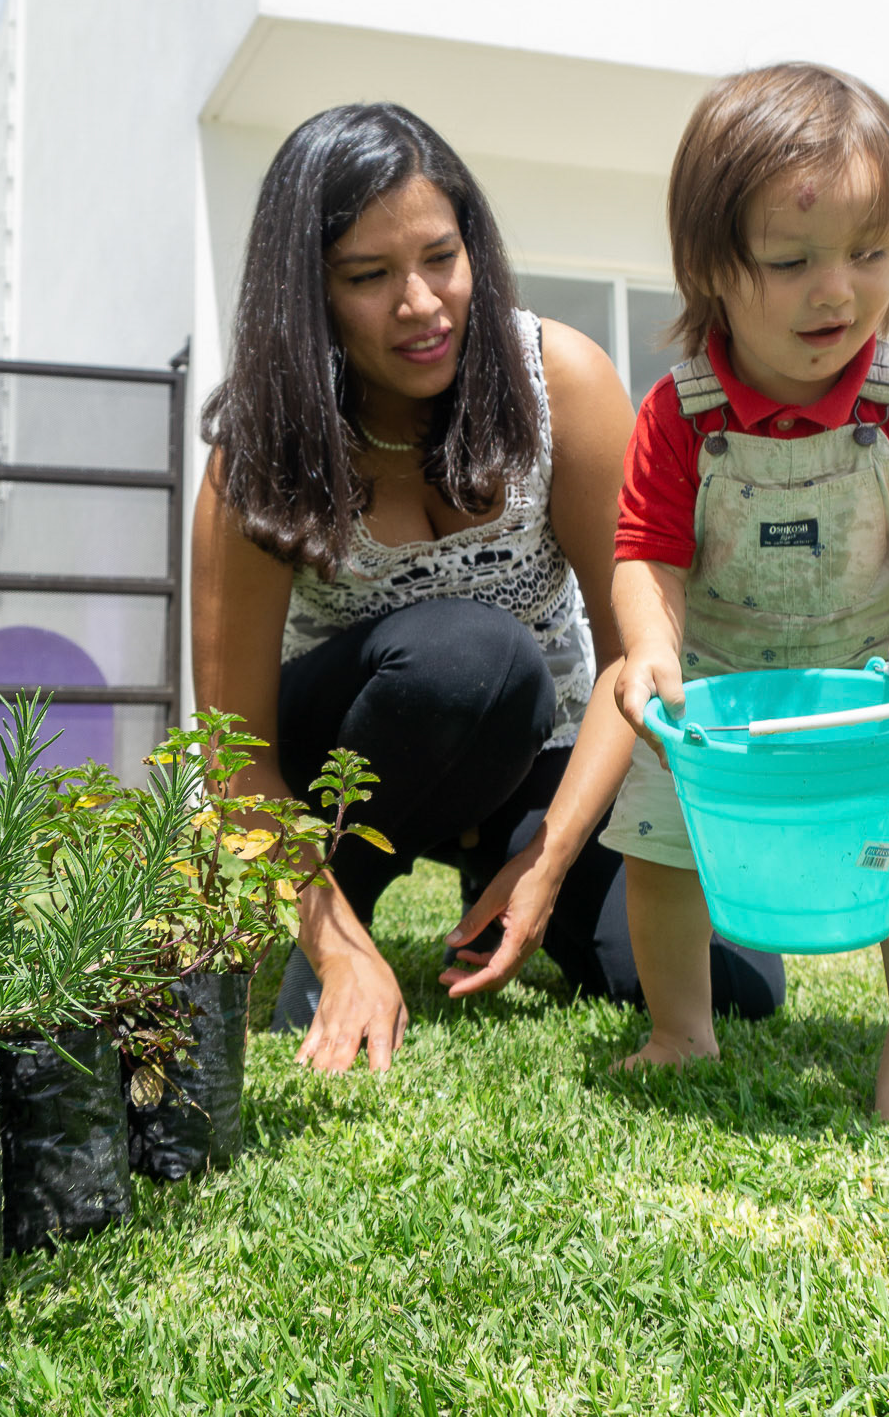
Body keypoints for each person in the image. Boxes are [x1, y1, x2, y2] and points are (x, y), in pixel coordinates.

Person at [193, 102, 785, 1074]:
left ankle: (486, 858)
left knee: (737, 982)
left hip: (530, 743)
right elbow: (232, 759)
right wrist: (331, 943)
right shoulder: (261, 452)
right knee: (469, 657)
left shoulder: (561, 381)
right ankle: (347, 919)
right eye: (368, 276)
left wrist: (546, 859)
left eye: (438, 257)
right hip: (341, 753)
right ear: (306, 294)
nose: (420, 302)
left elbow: (636, 656)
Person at [607, 63, 889, 1123]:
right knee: (657, 841)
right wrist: (649, 647)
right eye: (791, 259)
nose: (837, 289)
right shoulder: (677, 414)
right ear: (711, 270)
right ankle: (678, 1027)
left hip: (879, 677)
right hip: (719, 680)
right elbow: (645, 551)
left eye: (868, 253)